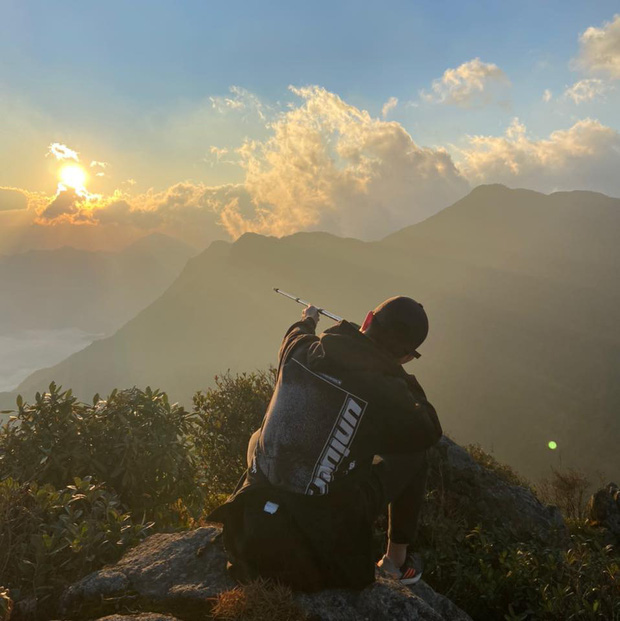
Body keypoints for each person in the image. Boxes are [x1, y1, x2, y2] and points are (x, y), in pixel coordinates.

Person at [208, 296, 442, 591]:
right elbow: (429, 430)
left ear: (368, 319)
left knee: (258, 437)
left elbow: (297, 331)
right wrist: (398, 374)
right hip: (319, 537)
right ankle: (396, 561)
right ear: (407, 356)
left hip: (254, 519)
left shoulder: (298, 348)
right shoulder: (386, 394)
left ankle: (263, 500)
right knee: (414, 454)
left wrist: (310, 318)